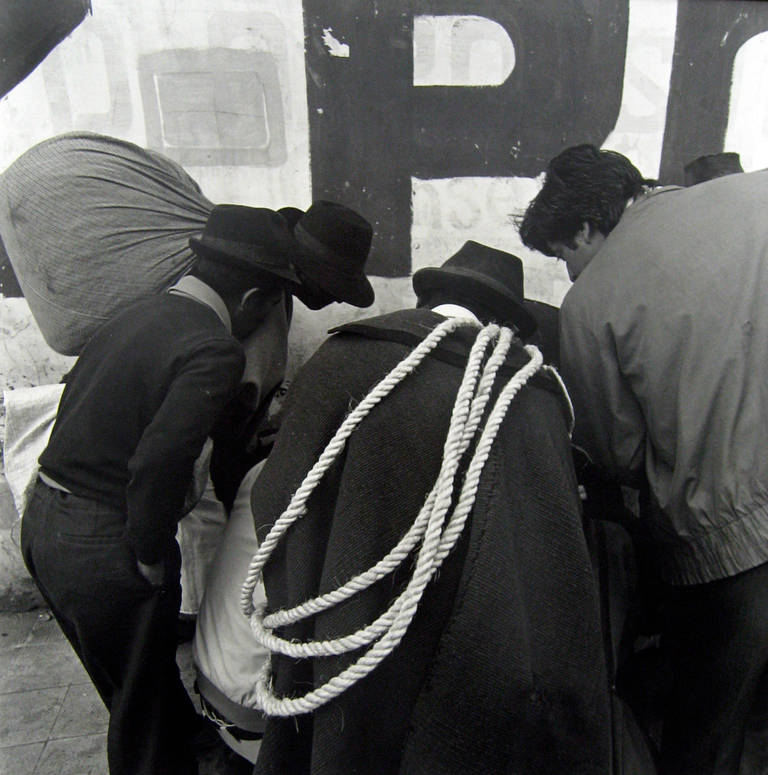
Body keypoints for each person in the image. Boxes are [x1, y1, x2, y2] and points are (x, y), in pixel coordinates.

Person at [241, 239, 613, 774]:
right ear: (504, 320)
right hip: (462, 660)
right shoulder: (532, 398)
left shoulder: (338, 359)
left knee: (344, 738)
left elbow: (277, 501)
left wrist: (319, 582)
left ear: (429, 299)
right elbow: (550, 570)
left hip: (334, 630)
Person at [19, 204, 328, 775]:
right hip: (102, 537)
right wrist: (148, 555)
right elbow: (159, 462)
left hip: (44, 519)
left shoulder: (136, 314)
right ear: (254, 300)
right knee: (143, 718)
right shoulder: (213, 348)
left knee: (134, 685)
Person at [518, 143, 768, 774]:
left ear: (585, 226)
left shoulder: (590, 304)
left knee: (708, 730)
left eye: (564, 256)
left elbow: (619, 454)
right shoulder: (755, 197)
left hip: (729, 547)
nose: (570, 276)